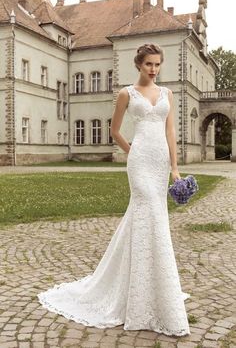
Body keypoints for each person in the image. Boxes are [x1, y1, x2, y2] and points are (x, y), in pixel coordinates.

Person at [38, 43, 191, 337]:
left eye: (158, 64)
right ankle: (137, 294)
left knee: (153, 218)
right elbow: (115, 130)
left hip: (160, 163)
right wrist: (131, 151)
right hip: (139, 162)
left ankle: (155, 289)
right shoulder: (126, 93)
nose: (154, 69)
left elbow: (171, 131)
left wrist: (174, 167)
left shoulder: (168, 94)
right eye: (149, 64)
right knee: (148, 213)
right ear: (139, 64)